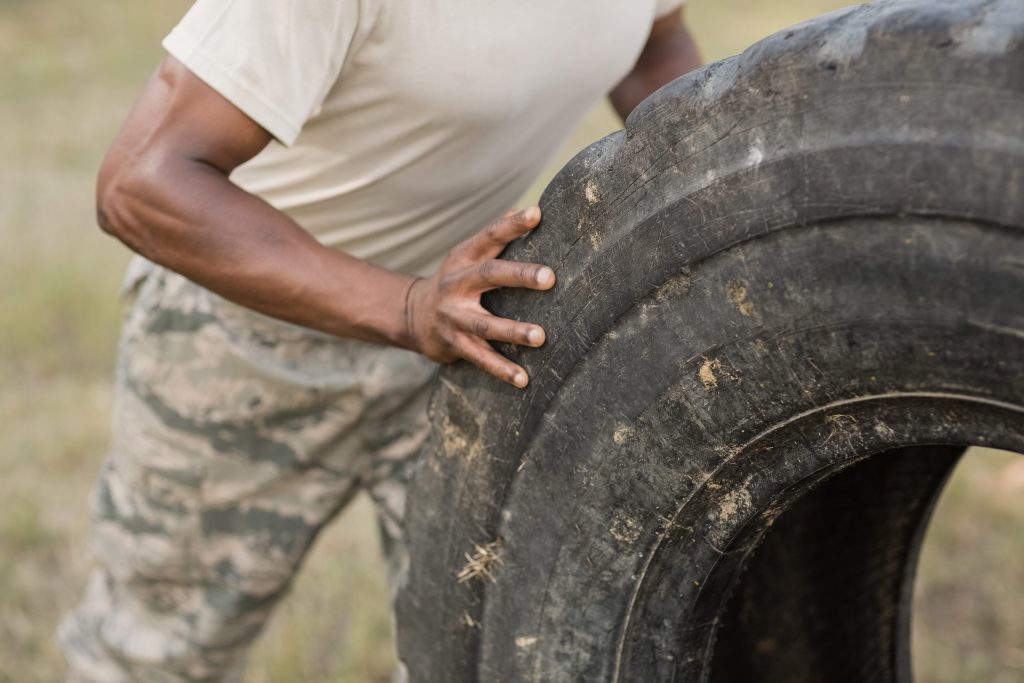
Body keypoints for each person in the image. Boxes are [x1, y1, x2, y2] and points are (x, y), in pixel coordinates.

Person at [58, 2, 702, 680]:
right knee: (155, 655)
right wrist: (404, 305)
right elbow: (139, 182)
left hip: (461, 333)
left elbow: (656, 47)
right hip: (244, 342)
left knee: (494, 651)